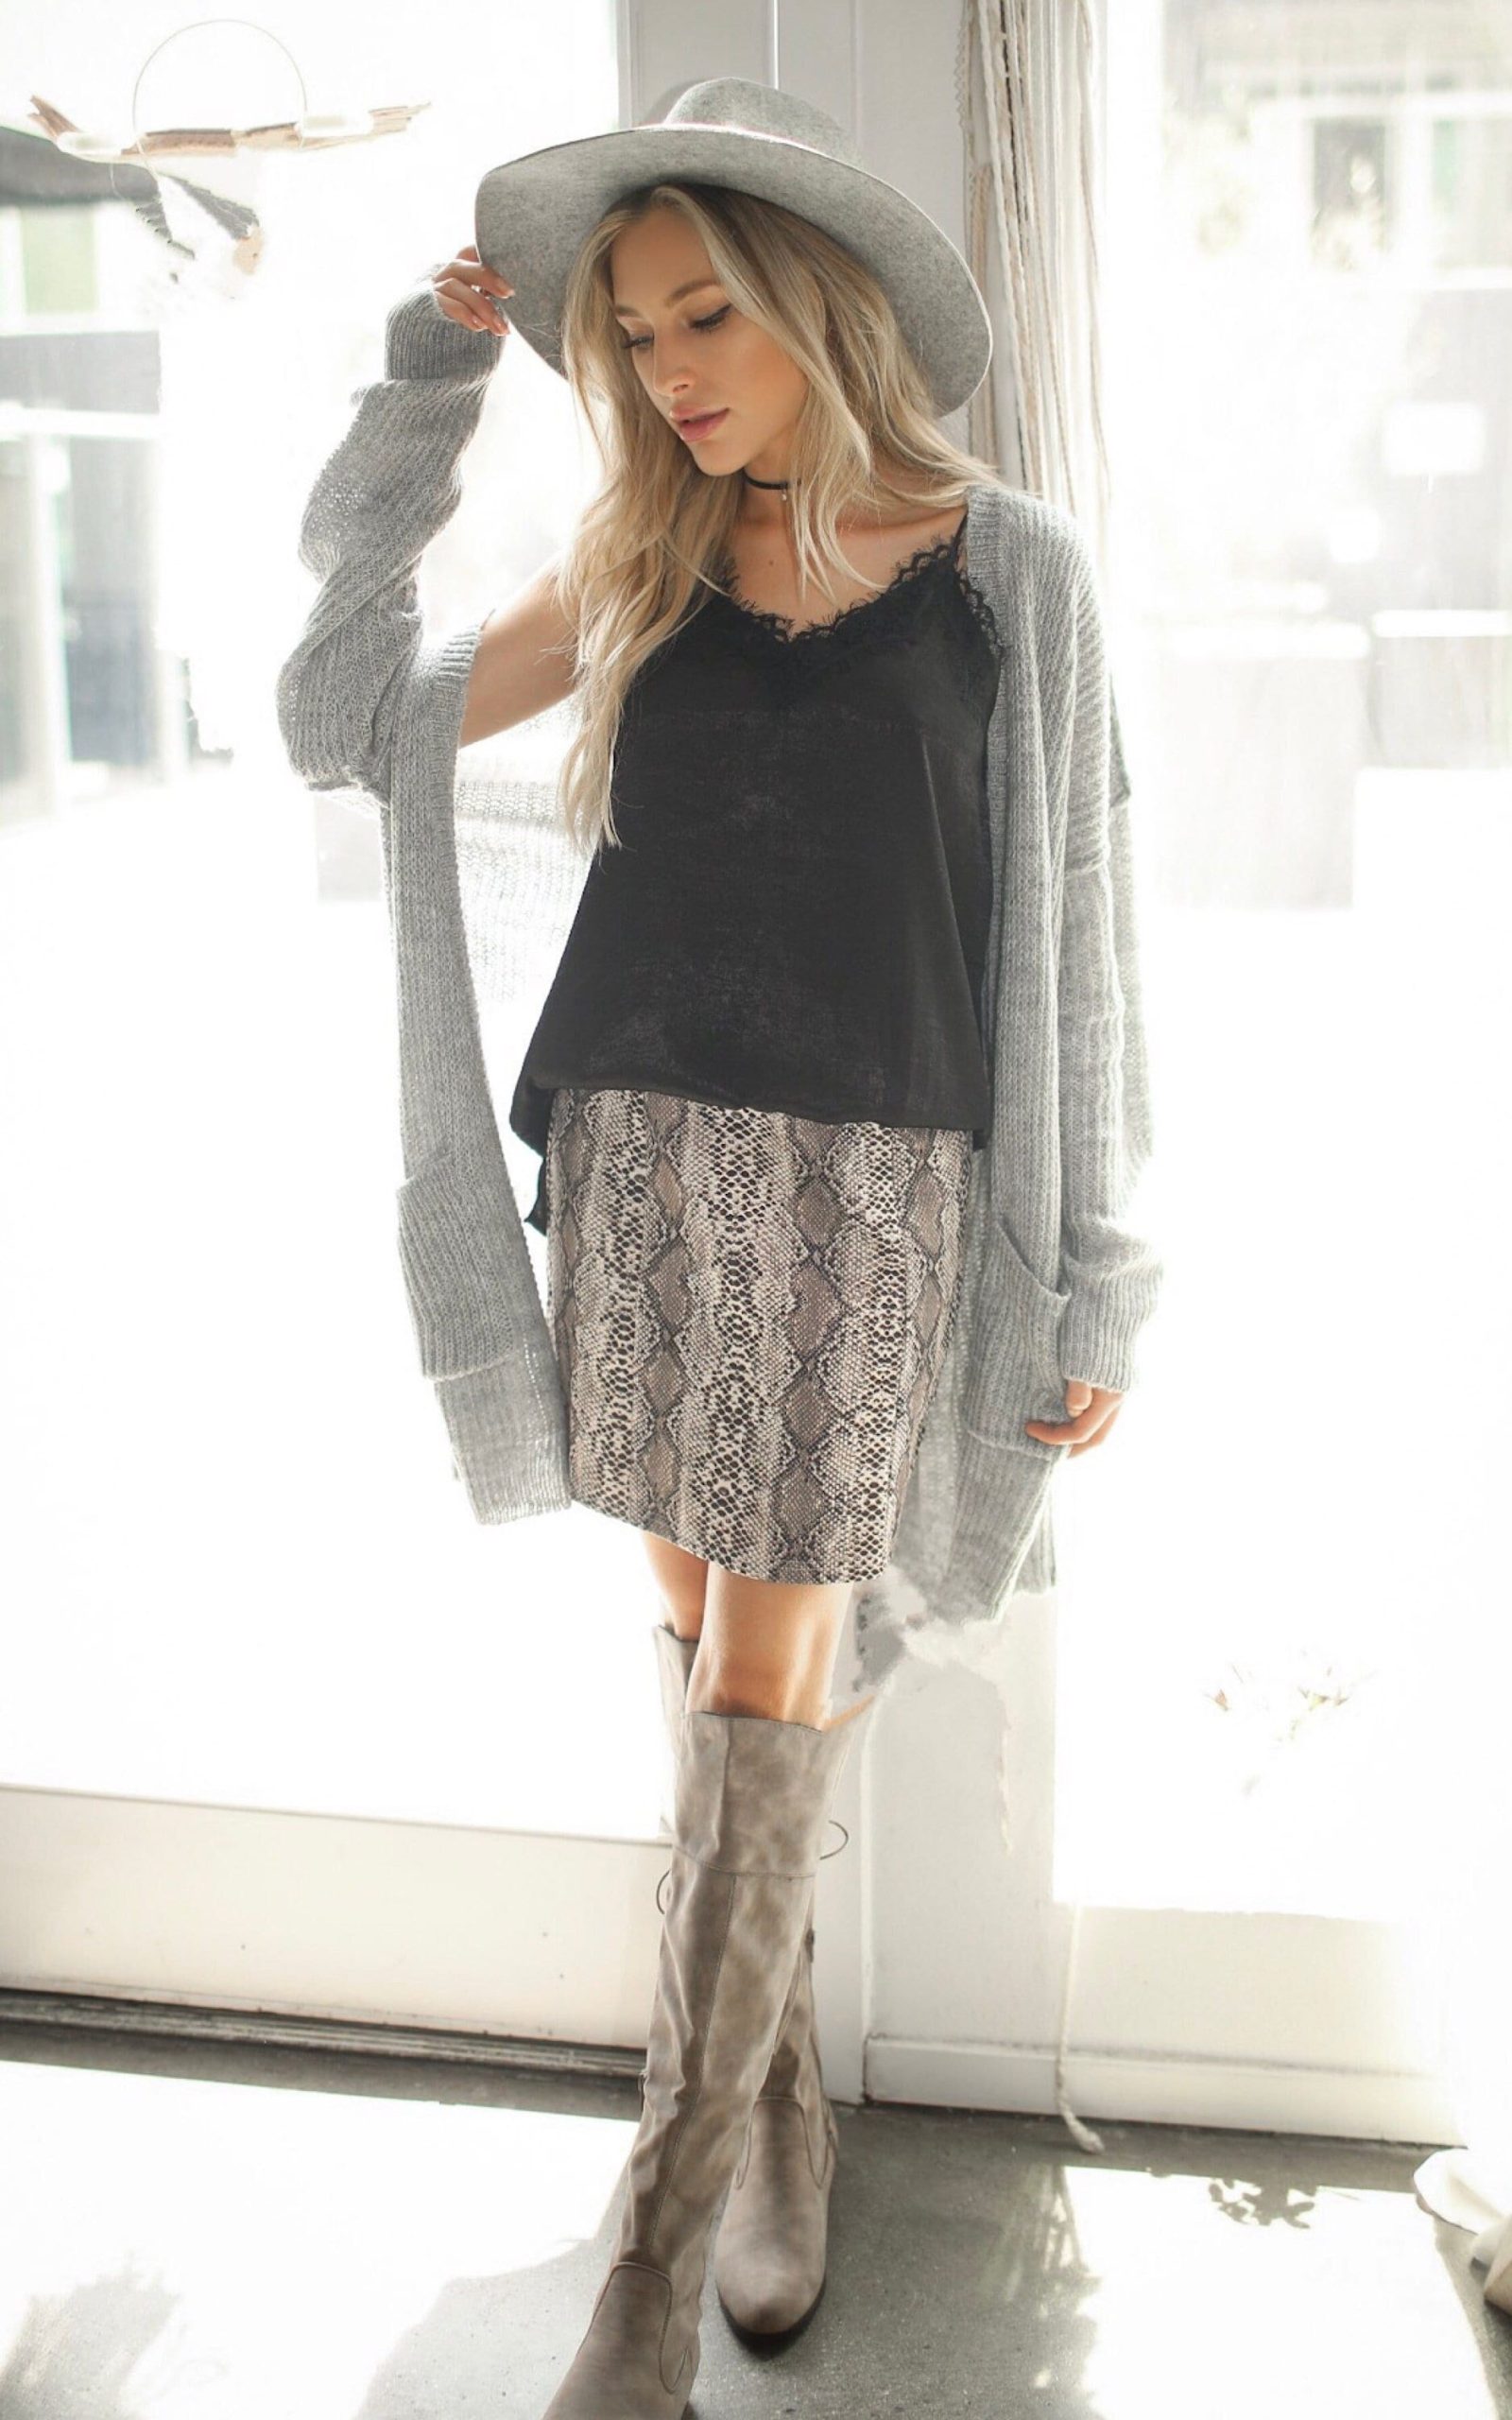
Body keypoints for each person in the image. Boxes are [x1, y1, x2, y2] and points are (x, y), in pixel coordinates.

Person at [278, 77, 1159, 2420]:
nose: (667, 370)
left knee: (765, 1675)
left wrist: (1092, 1267)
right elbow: (337, 718)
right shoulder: (643, 562)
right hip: (642, 1165)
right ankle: (773, 2107)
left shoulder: (1006, 570)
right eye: (631, 335)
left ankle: (643, 2284)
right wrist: (429, 388)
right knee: (710, 1674)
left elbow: (1082, 929)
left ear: (811, 307)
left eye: (705, 319)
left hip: (874, 1198)